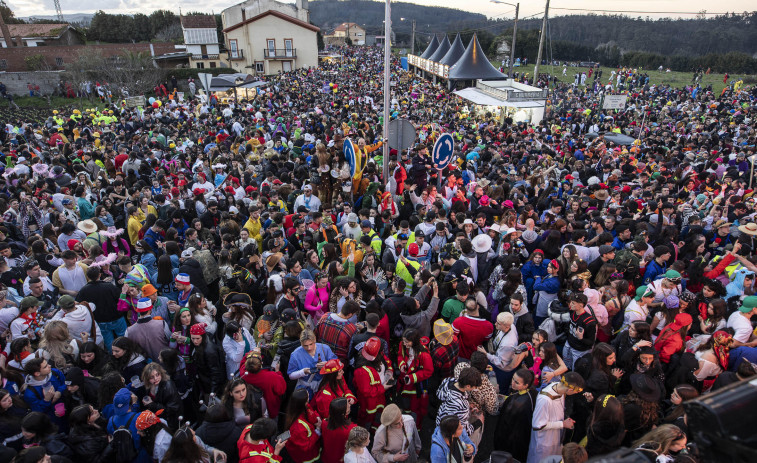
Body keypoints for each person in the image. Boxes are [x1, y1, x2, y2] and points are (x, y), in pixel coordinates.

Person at [527, 372, 585, 463]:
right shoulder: (545, 399)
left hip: (555, 438)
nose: (576, 394)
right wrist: (563, 424)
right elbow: (537, 425)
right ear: (570, 389)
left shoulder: (559, 389)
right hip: (544, 442)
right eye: (576, 391)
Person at [493, 369, 538, 462]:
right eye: (513, 379)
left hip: (512, 438)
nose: (512, 383)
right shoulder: (532, 392)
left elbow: (505, 423)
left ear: (526, 385)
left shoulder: (518, 403)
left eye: (517, 382)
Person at [321, 397, 357, 463]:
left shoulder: (324, 422)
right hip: (340, 459)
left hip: (327, 457)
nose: (350, 405)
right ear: (343, 413)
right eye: (347, 405)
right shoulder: (351, 429)